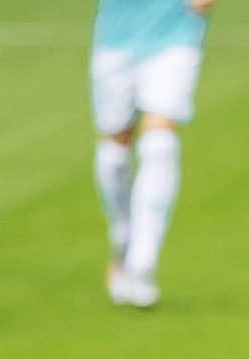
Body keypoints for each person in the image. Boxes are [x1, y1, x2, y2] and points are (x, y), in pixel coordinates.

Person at [91, 0, 217, 308]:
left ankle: (141, 266)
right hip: (115, 39)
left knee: (160, 145)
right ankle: (123, 237)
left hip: (175, 37)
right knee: (114, 152)